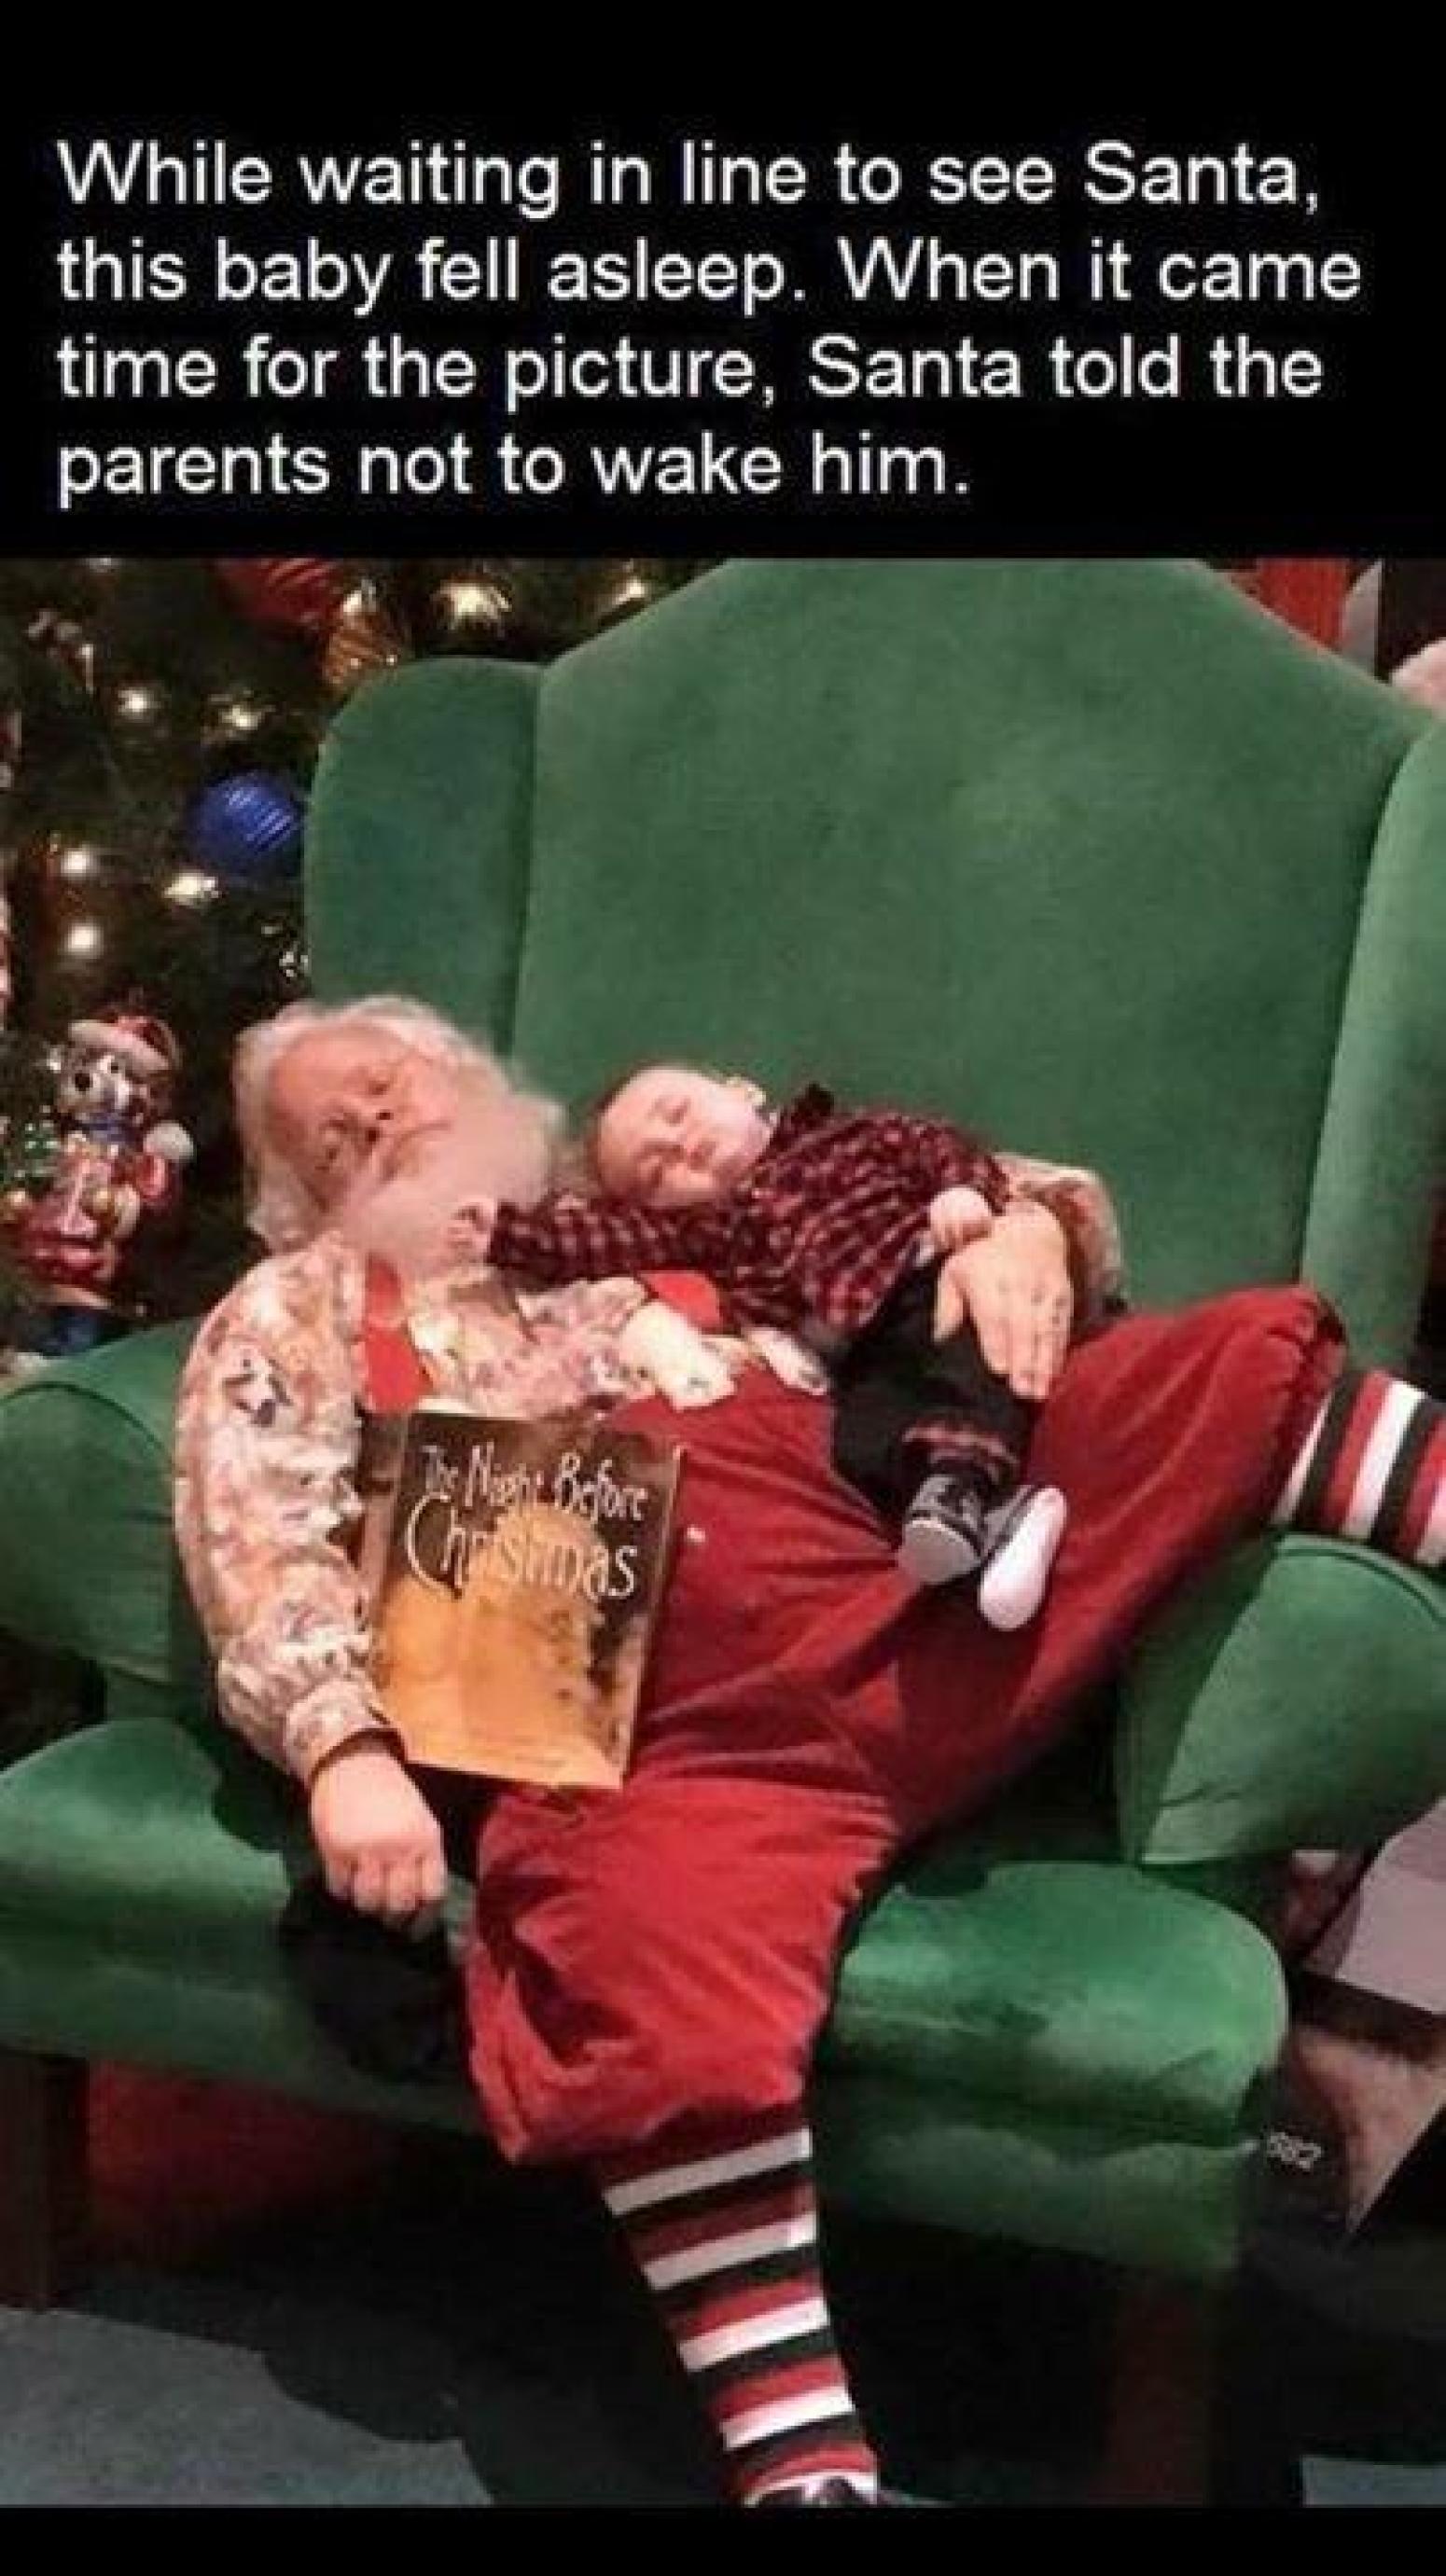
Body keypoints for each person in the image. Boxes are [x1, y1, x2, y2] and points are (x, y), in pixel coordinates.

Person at [174, 996, 1443, 2510]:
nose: (379, 1125)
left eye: (388, 1085)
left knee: (1215, 1364)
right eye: (335, 1135)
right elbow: (256, 1538)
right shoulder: (296, 1308)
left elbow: (914, 1180)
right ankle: (801, 2461)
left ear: (467, 1075)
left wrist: (1025, 1231)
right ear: (297, 1199)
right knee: (637, 1966)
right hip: (667, 1741)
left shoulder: (643, 1187)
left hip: (918, 1584)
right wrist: (342, 1749)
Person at [456, 1062, 1122, 1625]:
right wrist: (505, 1234)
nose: (679, 1147)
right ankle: (1003, 1521)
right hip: (861, 1351)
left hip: (927, 1277)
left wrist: (962, 1192)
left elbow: (937, 1146)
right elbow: (599, 1243)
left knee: (963, 1374)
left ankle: (966, 1491)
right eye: (655, 1174)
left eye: (677, 1113)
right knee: (859, 1451)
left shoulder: (851, 1137)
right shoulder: (711, 1230)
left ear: (741, 1090)